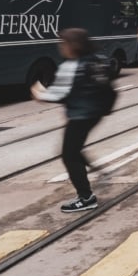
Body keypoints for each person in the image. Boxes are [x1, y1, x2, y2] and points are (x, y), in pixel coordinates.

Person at [31, 28, 107, 214]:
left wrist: (39, 93)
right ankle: (96, 171)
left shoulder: (71, 66)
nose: (60, 47)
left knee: (69, 154)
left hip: (81, 115)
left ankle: (86, 197)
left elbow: (60, 93)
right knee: (73, 149)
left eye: (63, 44)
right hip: (94, 113)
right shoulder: (98, 59)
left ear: (72, 46)